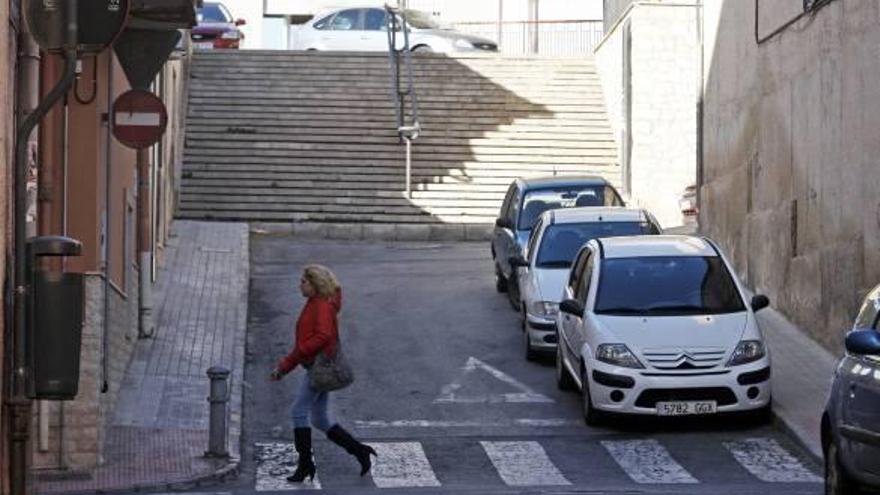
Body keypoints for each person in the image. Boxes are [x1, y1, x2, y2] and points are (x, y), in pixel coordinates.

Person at [270, 264, 376, 483]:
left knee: (299, 411)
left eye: (304, 281)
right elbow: (335, 294)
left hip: (319, 368)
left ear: (315, 285)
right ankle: (359, 450)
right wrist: (289, 363)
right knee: (319, 418)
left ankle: (305, 464)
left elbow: (323, 336)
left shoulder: (320, 306)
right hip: (317, 367)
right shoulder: (318, 303)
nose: (300, 284)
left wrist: (289, 361)